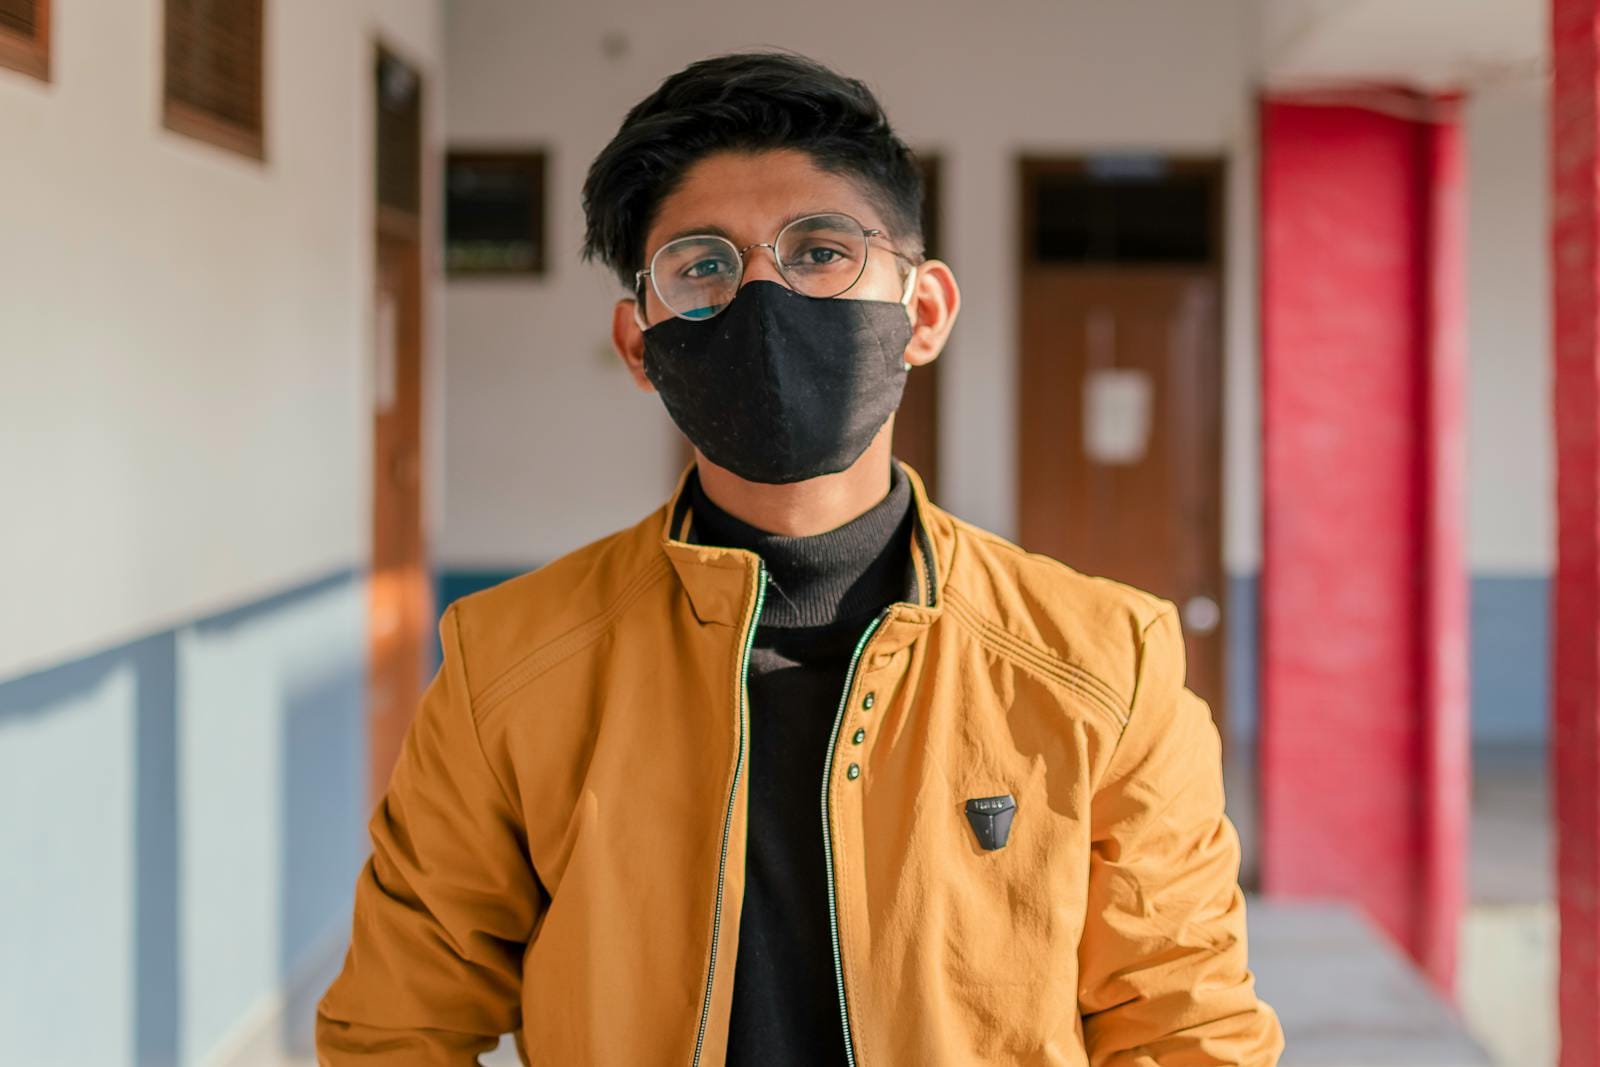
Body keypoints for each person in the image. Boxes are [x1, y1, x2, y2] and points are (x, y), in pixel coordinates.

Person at [315, 48, 1285, 1066]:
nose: (765, 298)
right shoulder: (510, 664)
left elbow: (1186, 1030)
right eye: (703, 266)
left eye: (821, 250)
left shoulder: (1104, 661)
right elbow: (395, 1028)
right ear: (641, 344)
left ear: (923, 312)